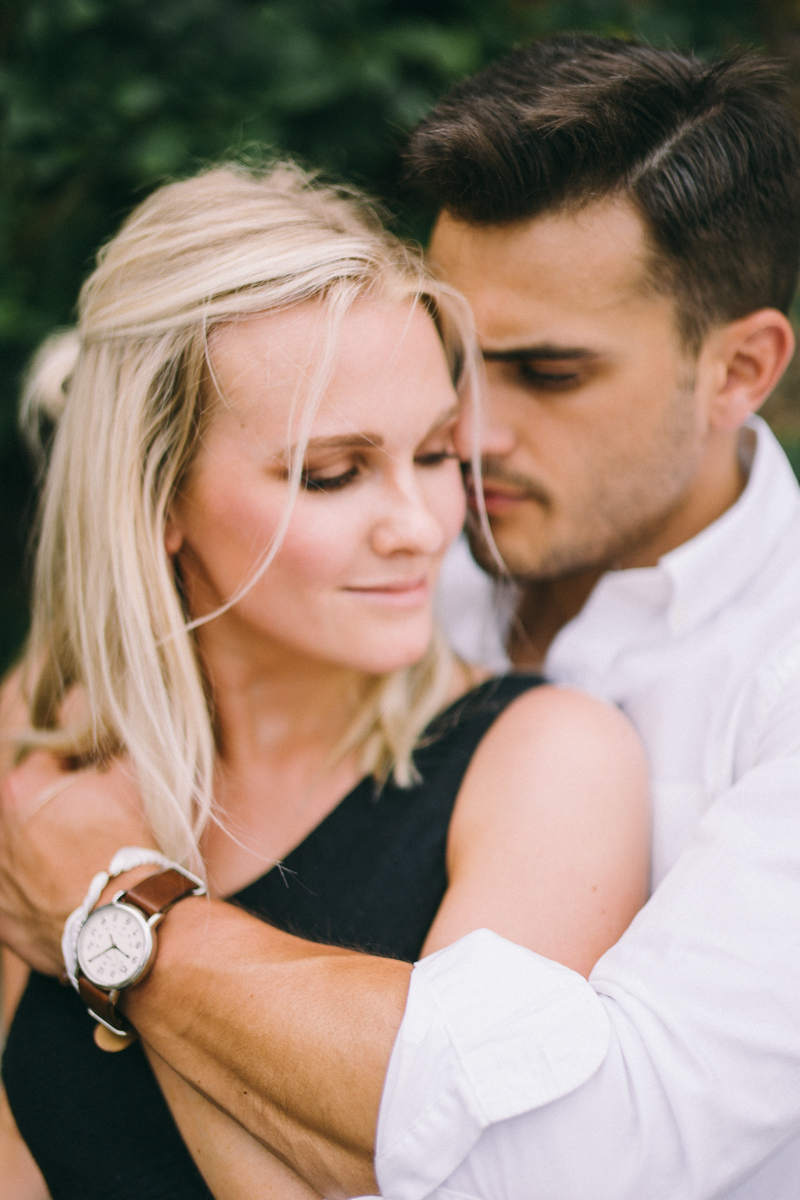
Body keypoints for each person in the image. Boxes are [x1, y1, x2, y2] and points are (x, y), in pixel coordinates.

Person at [1, 31, 799, 1200]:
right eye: (457, 370)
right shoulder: (399, 562)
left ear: (738, 372)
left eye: (548, 372)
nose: (462, 449)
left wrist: (126, 914)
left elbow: (556, 1162)